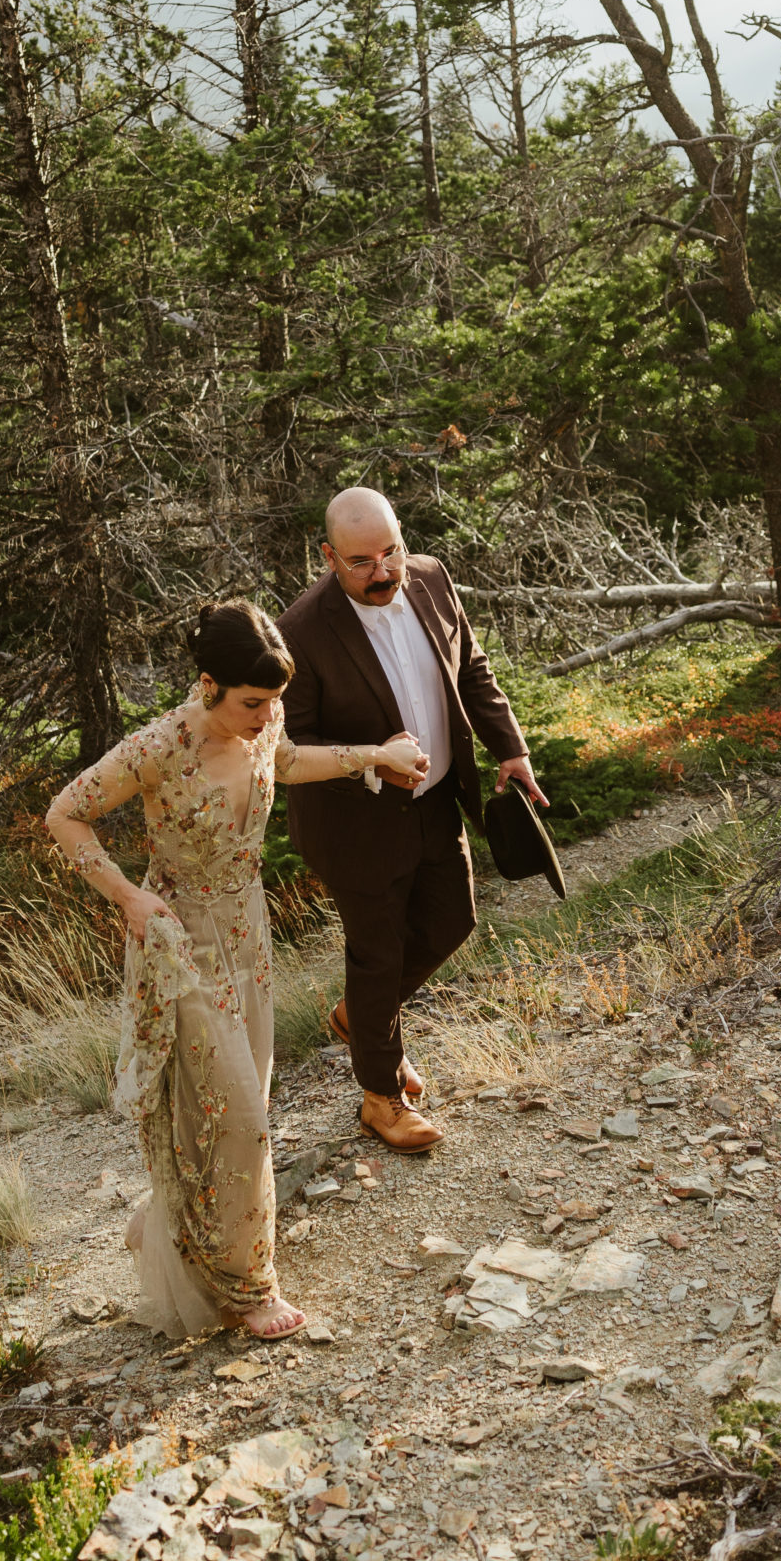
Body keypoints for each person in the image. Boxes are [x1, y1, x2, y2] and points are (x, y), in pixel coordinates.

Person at [45, 598, 427, 1340]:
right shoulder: (159, 746)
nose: (264, 716)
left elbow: (283, 762)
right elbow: (64, 812)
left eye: (273, 702)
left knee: (233, 1104)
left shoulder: (266, 721)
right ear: (208, 683)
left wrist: (373, 754)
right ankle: (250, 1287)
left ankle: (165, 1228)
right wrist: (125, 897)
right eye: (252, 702)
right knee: (243, 1123)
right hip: (179, 940)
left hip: (246, 933)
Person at [277, 488, 547, 1153]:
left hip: (436, 801)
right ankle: (380, 1097)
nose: (383, 571)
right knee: (377, 957)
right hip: (354, 822)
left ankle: (357, 1018)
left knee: (453, 920)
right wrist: (369, 764)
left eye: (390, 551)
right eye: (361, 561)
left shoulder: (431, 577)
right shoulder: (301, 632)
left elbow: (472, 670)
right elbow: (289, 750)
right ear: (328, 558)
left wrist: (509, 751)